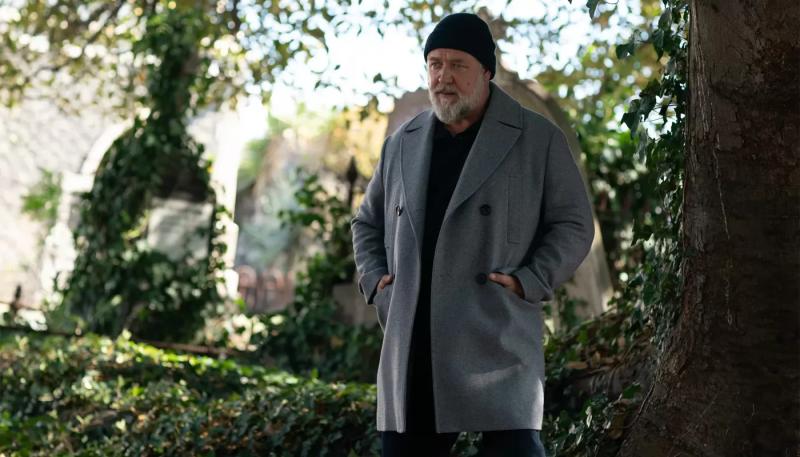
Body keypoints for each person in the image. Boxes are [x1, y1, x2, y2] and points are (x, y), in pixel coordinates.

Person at [350, 12, 594, 457]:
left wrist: (529, 280)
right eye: (435, 64)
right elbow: (366, 223)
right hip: (412, 347)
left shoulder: (537, 138)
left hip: (497, 337)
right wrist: (377, 283)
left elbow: (574, 223)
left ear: (485, 71)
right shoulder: (402, 142)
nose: (443, 77)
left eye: (457, 65)